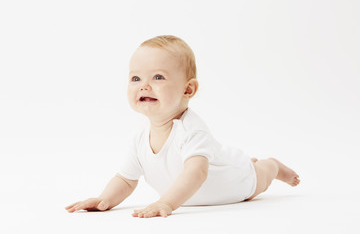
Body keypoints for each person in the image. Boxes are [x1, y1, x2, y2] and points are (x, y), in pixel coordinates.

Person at [65, 35, 300, 218]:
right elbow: (126, 179)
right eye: (136, 78)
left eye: (158, 77)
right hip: (211, 179)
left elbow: (196, 172)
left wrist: (166, 203)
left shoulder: (191, 129)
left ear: (188, 90)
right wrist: (104, 199)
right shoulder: (139, 140)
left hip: (239, 180)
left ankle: (272, 166)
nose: (144, 86)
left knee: (260, 176)